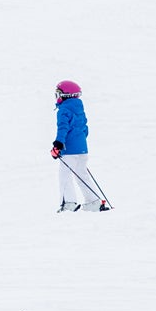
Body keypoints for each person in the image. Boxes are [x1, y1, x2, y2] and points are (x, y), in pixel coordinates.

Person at [50, 80, 108, 212]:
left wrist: (58, 144)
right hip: (82, 150)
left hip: (69, 150)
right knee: (81, 174)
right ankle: (93, 202)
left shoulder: (63, 109)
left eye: (58, 94)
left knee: (64, 175)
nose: (57, 97)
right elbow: (85, 129)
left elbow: (63, 128)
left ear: (66, 95)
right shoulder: (79, 109)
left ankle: (68, 204)